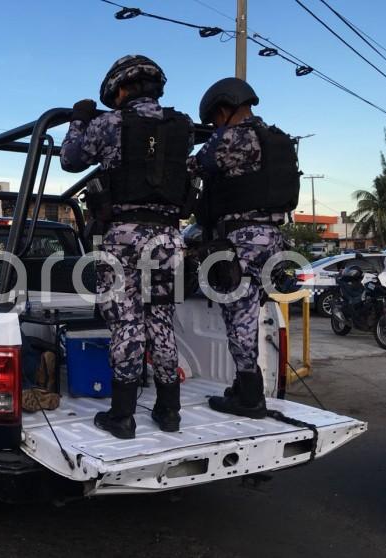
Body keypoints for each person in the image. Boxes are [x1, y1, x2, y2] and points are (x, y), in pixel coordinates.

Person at [61, 54, 195, 439]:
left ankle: (122, 415)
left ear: (121, 88)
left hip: (124, 236)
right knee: (161, 321)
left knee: (127, 322)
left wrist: (79, 119)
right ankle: (170, 411)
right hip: (170, 237)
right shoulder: (181, 127)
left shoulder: (109, 123)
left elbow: (71, 160)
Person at [188, 77, 300, 418]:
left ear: (224, 109)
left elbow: (192, 167)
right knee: (250, 313)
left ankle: (249, 397)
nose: (215, 127)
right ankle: (243, 384)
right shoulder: (277, 138)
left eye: (214, 121)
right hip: (273, 239)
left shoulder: (232, 139)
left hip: (242, 240)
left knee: (238, 317)